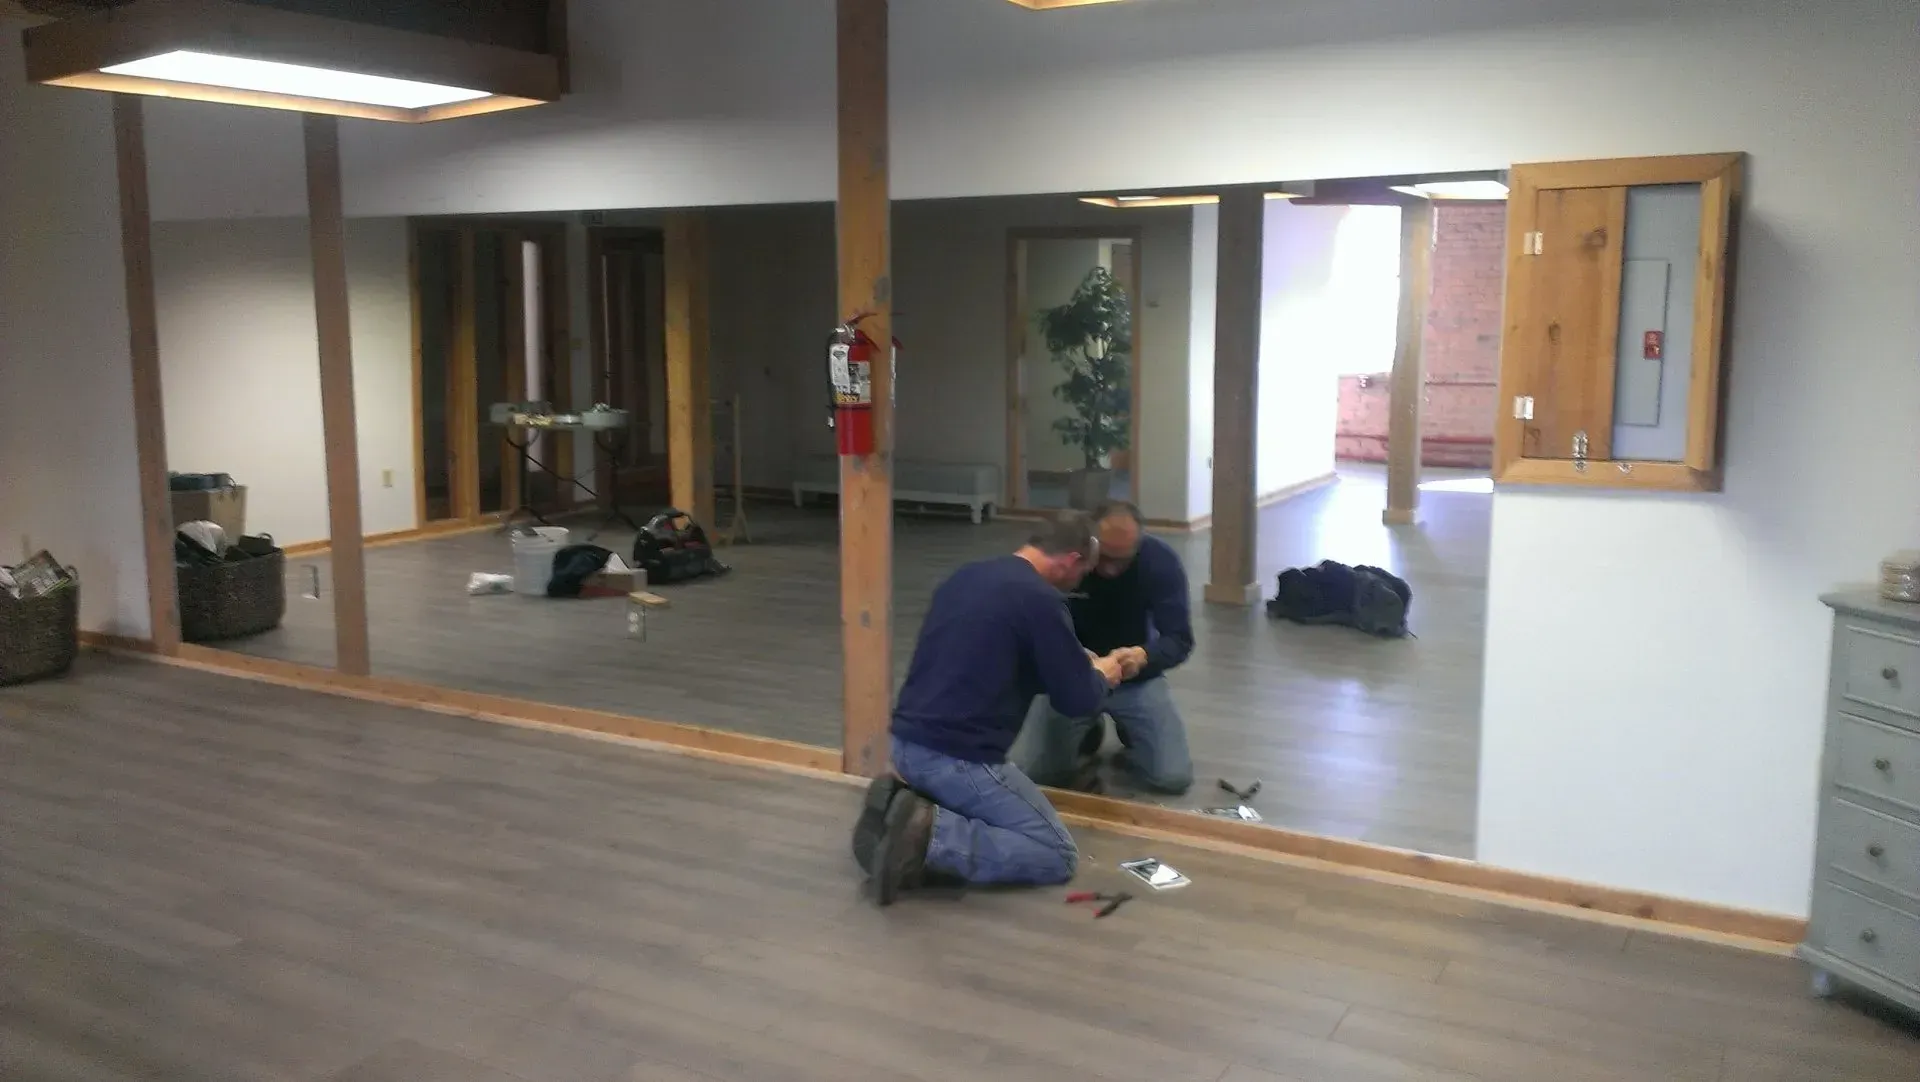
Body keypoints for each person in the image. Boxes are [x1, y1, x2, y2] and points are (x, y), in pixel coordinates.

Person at [856, 512, 1123, 905]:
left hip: (905, 745)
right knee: (1056, 853)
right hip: (960, 760)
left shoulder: (967, 577)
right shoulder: (1041, 601)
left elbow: (988, 654)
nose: (1081, 581)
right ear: (1070, 560)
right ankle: (928, 835)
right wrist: (1101, 675)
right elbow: (1077, 702)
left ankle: (901, 810)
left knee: (1000, 816)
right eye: (1084, 570)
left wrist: (1067, 659)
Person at [1012, 500, 1195, 795]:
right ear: (1089, 542)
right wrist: (1068, 657)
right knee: (1036, 772)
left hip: (1134, 679)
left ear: (1139, 545)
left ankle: (1129, 732)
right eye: (1105, 557)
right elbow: (1026, 631)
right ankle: (1087, 730)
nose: (1110, 570)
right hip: (1071, 676)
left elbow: (1180, 639)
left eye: (1122, 560)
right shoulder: (1062, 563)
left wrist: (1145, 655)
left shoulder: (1160, 562)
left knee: (1172, 778)